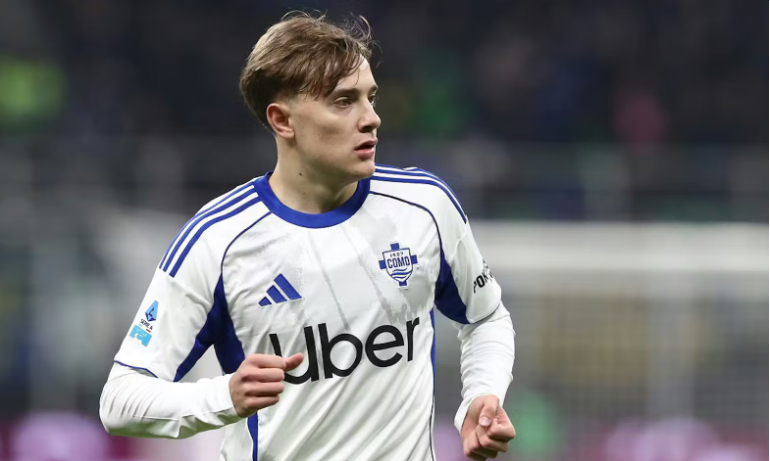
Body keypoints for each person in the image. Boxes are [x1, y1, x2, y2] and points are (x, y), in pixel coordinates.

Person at [99, 11, 515, 461]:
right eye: (344, 101)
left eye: (371, 97)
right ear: (283, 121)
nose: (372, 118)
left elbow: (486, 318)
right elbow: (121, 399)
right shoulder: (217, 242)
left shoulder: (425, 208)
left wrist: (482, 394)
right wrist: (224, 397)